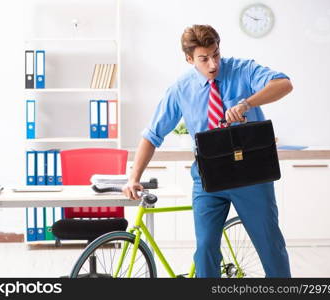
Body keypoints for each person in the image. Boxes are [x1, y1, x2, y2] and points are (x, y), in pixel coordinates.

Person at [122, 24, 292, 278]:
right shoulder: (181, 88)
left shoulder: (243, 70)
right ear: (190, 59)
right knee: (205, 249)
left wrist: (247, 103)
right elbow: (152, 133)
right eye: (204, 58)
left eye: (216, 54)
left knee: (270, 245)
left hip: (252, 175)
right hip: (208, 177)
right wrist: (134, 177)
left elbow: (284, 84)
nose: (213, 64)